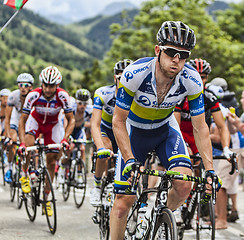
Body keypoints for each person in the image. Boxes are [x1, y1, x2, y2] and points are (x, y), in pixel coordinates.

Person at [110, 21, 221, 239]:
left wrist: (209, 170)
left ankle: (159, 215)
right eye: (171, 52)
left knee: (184, 184)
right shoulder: (135, 74)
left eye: (183, 54)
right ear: (158, 50)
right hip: (135, 132)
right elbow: (118, 121)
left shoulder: (191, 80)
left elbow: (200, 127)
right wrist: (129, 158)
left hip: (165, 131)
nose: (177, 59)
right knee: (124, 204)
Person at [18, 66, 75, 215]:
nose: (48, 89)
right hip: (35, 122)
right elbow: (23, 120)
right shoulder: (33, 95)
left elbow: (71, 120)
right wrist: (22, 142)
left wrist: (65, 139)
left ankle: (46, 198)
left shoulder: (63, 96)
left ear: (57, 85)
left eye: (52, 86)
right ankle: (25, 175)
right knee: (28, 147)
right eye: (45, 85)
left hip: (53, 125)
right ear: (41, 83)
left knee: (51, 161)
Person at [90, 59, 133, 206]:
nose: (125, 82)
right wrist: (100, 147)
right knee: (106, 151)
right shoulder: (103, 93)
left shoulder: (136, 96)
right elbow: (95, 124)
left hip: (125, 131)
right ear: (115, 78)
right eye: (121, 78)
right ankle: (96, 186)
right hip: (106, 129)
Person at [4, 74, 34, 183]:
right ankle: (10, 168)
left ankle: (26, 170)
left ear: (31, 87)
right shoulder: (13, 96)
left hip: (28, 119)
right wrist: (8, 134)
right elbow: (7, 118)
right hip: (16, 118)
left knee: (29, 145)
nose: (23, 87)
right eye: (20, 85)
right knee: (12, 142)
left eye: (26, 85)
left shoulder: (34, 96)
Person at [58, 88, 92, 184]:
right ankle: (62, 168)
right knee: (70, 147)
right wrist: (67, 136)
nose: (82, 106)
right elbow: (66, 122)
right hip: (68, 128)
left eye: (85, 104)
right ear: (76, 102)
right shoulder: (71, 108)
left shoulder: (89, 110)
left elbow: (93, 124)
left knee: (82, 149)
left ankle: (79, 174)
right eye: (80, 103)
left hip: (79, 129)